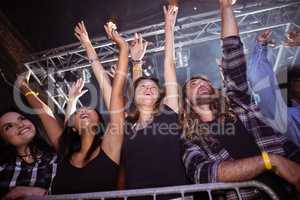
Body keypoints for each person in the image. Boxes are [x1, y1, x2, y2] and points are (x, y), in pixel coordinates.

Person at [180, 0, 300, 199]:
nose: (201, 83)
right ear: (187, 103)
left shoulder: (237, 101)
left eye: (205, 81)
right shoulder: (191, 139)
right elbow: (204, 174)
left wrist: (225, 6)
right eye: (193, 83)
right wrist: (268, 161)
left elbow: (232, 50)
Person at [50, 21, 128, 194]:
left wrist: (122, 47)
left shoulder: (109, 147)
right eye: (78, 112)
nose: (82, 110)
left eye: (87, 109)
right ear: (74, 128)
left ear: (100, 122)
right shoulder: (66, 152)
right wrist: (71, 102)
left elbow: (113, 96)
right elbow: (67, 126)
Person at [121, 4, 190, 192]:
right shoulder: (127, 126)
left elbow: (169, 65)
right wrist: (136, 62)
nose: (148, 88)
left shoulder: (168, 113)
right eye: (144, 87)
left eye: (153, 87)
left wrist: (168, 26)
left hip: (177, 195)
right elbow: (138, 87)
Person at [0, 73, 60, 199]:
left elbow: (45, 113)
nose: (20, 125)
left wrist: (24, 86)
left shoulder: (57, 159)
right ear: (4, 139)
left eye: (22, 118)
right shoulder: (2, 167)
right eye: (8, 126)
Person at [247, 29, 300, 147]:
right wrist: (261, 46)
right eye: (297, 81)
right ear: (290, 91)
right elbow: (261, 82)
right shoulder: (288, 118)